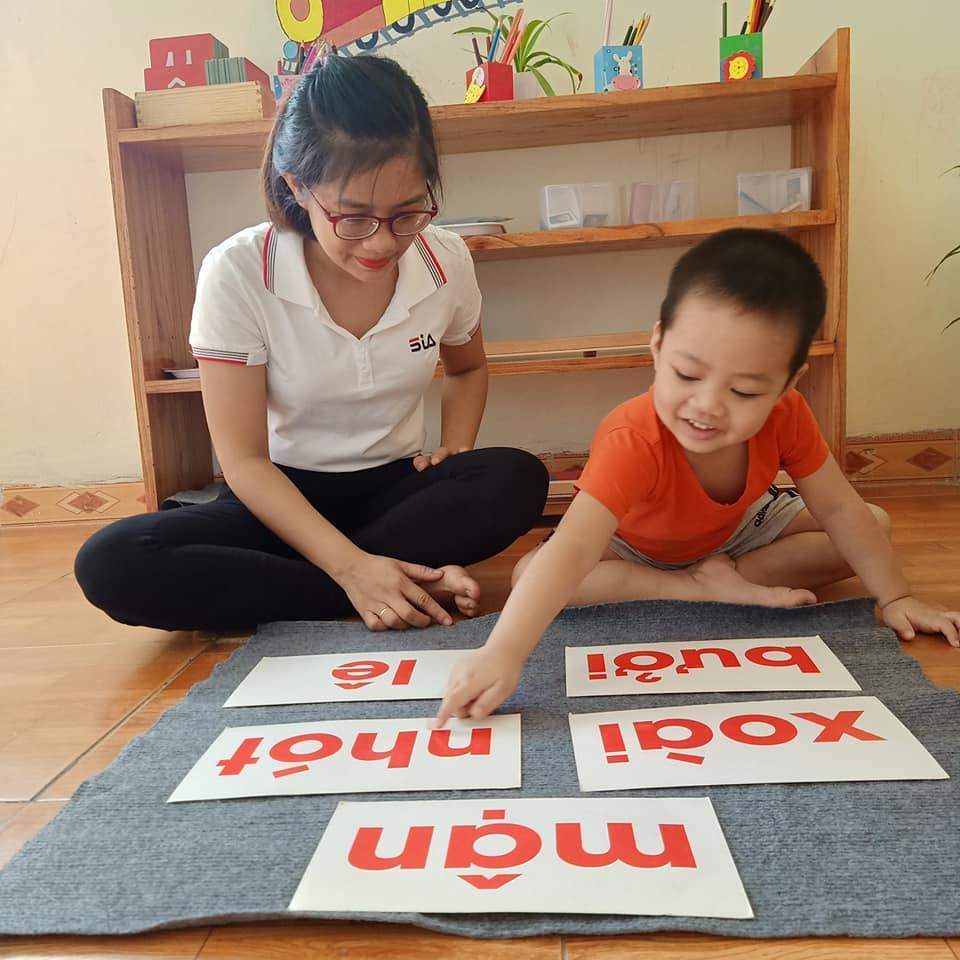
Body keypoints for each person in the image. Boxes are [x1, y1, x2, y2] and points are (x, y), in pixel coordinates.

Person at [75, 54, 548, 632]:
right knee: (112, 562)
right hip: (278, 499)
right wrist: (350, 568)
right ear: (296, 186)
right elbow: (244, 461)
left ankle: (353, 584)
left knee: (516, 479)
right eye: (353, 217)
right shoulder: (238, 271)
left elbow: (468, 369)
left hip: (396, 490)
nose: (382, 243)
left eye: (407, 213)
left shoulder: (445, 258)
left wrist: (455, 446)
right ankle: (387, 584)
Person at [435, 228, 960, 724]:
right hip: (633, 549)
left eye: (745, 391)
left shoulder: (788, 414)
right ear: (657, 345)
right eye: (687, 374)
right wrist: (502, 653)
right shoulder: (632, 436)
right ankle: (699, 587)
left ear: (787, 384)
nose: (707, 406)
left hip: (743, 530)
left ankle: (724, 580)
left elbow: (840, 508)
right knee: (534, 574)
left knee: (872, 524)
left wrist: (896, 597)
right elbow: (572, 549)